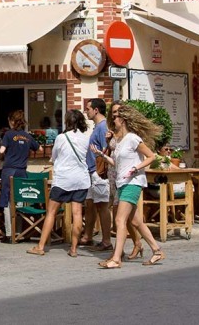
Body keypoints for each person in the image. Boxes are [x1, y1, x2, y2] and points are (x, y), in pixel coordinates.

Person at [98, 104, 166, 269]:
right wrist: (103, 156)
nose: (113, 120)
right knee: (135, 222)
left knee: (120, 219)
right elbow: (118, 163)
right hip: (122, 183)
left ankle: (116, 258)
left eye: (115, 117)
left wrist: (137, 167)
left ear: (123, 119)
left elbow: (151, 156)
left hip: (133, 183)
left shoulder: (133, 138)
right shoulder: (119, 141)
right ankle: (157, 251)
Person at [27, 110, 90, 258]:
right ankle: (74, 249)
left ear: (67, 121)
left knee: (51, 212)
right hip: (81, 179)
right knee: (77, 213)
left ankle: (41, 246)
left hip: (63, 179)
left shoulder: (61, 138)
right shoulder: (86, 138)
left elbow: (54, 156)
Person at [93, 101, 142, 262]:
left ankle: (132, 246)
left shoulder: (128, 134)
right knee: (121, 217)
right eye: (113, 113)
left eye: (118, 112)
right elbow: (113, 153)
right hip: (115, 175)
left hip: (125, 176)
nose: (115, 115)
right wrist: (107, 143)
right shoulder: (111, 131)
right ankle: (127, 248)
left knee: (124, 218)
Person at [0, 110, 39, 241]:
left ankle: (9, 233)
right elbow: (40, 149)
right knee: (20, 198)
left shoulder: (8, 135)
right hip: (22, 170)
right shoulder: (27, 136)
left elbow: (2, 150)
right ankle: (19, 232)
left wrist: (1, 155)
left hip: (9, 170)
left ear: (11, 121)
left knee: (6, 200)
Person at [81, 98, 112, 251]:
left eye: (88, 109)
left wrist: (101, 170)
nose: (86, 111)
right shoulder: (97, 127)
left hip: (98, 173)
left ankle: (106, 240)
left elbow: (106, 150)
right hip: (92, 171)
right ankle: (87, 236)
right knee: (90, 205)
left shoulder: (102, 127)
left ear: (96, 110)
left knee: (102, 206)